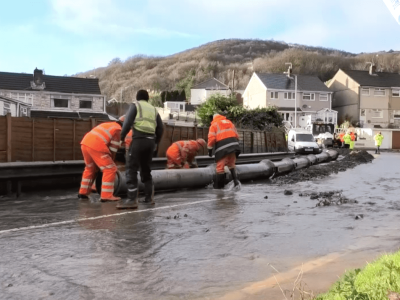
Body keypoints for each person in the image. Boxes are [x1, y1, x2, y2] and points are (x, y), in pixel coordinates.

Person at [117, 90, 164, 209]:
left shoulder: (135, 106)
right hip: (150, 142)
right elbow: (161, 128)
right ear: (148, 98)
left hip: (138, 140)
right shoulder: (154, 109)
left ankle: (132, 200)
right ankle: (149, 198)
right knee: (146, 170)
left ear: (137, 98)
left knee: (131, 168)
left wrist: (121, 137)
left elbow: (127, 123)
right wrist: (156, 142)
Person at [78, 119, 124, 202]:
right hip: (97, 145)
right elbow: (113, 150)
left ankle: (83, 192)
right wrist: (112, 162)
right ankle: (106, 196)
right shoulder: (118, 129)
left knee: (90, 168)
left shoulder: (109, 124)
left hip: (85, 143)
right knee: (110, 169)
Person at [207, 113, 241, 189]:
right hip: (234, 145)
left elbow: (211, 138)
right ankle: (236, 182)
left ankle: (219, 187)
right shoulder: (229, 122)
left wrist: (209, 150)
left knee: (220, 167)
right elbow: (237, 136)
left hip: (223, 147)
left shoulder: (214, 125)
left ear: (213, 118)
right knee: (231, 164)